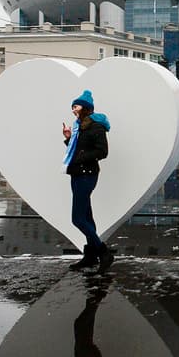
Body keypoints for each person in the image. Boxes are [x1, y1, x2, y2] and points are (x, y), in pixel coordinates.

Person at [62, 89, 113, 270]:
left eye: (75, 106)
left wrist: (81, 156)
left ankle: (102, 251)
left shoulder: (96, 127)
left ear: (85, 107)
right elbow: (76, 151)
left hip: (87, 174)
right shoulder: (79, 126)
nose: (73, 110)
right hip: (76, 173)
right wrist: (68, 139)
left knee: (77, 218)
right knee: (87, 217)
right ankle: (90, 255)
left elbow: (102, 151)